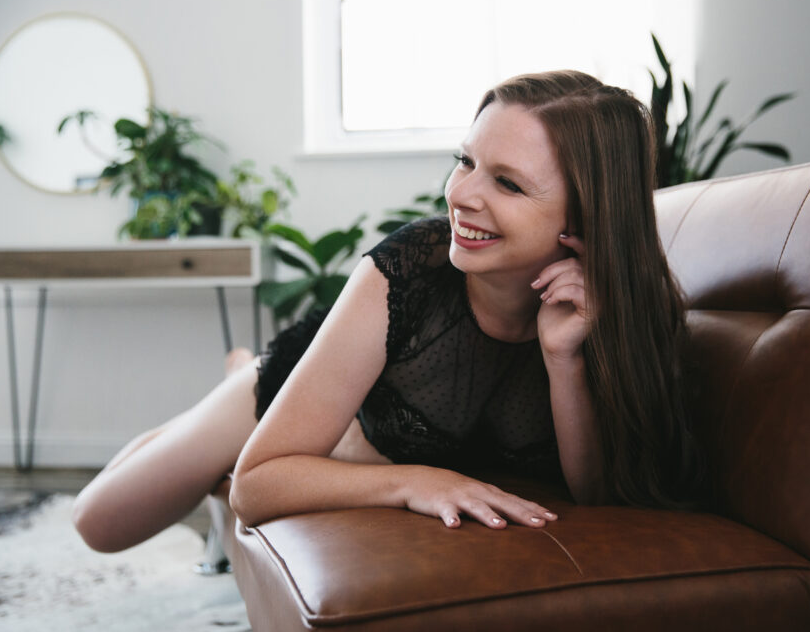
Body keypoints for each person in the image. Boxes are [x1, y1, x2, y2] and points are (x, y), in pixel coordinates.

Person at [72, 70, 704, 554]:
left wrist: (564, 358)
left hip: (347, 444)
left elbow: (596, 495)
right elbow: (259, 486)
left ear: (586, 215)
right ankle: (243, 379)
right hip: (312, 387)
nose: (461, 195)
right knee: (101, 522)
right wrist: (413, 482)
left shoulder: (618, 309)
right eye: (466, 162)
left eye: (508, 184)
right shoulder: (408, 271)